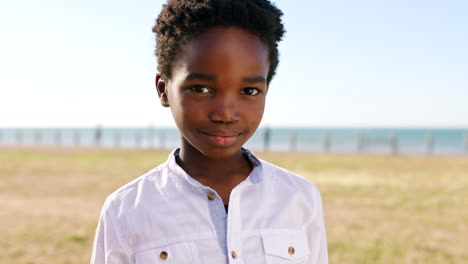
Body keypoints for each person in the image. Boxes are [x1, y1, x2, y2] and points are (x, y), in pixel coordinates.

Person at [90, 1, 328, 263]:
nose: (226, 113)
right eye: (201, 89)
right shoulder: (126, 211)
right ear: (163, 89)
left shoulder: (300, 198)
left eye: (249, 91)